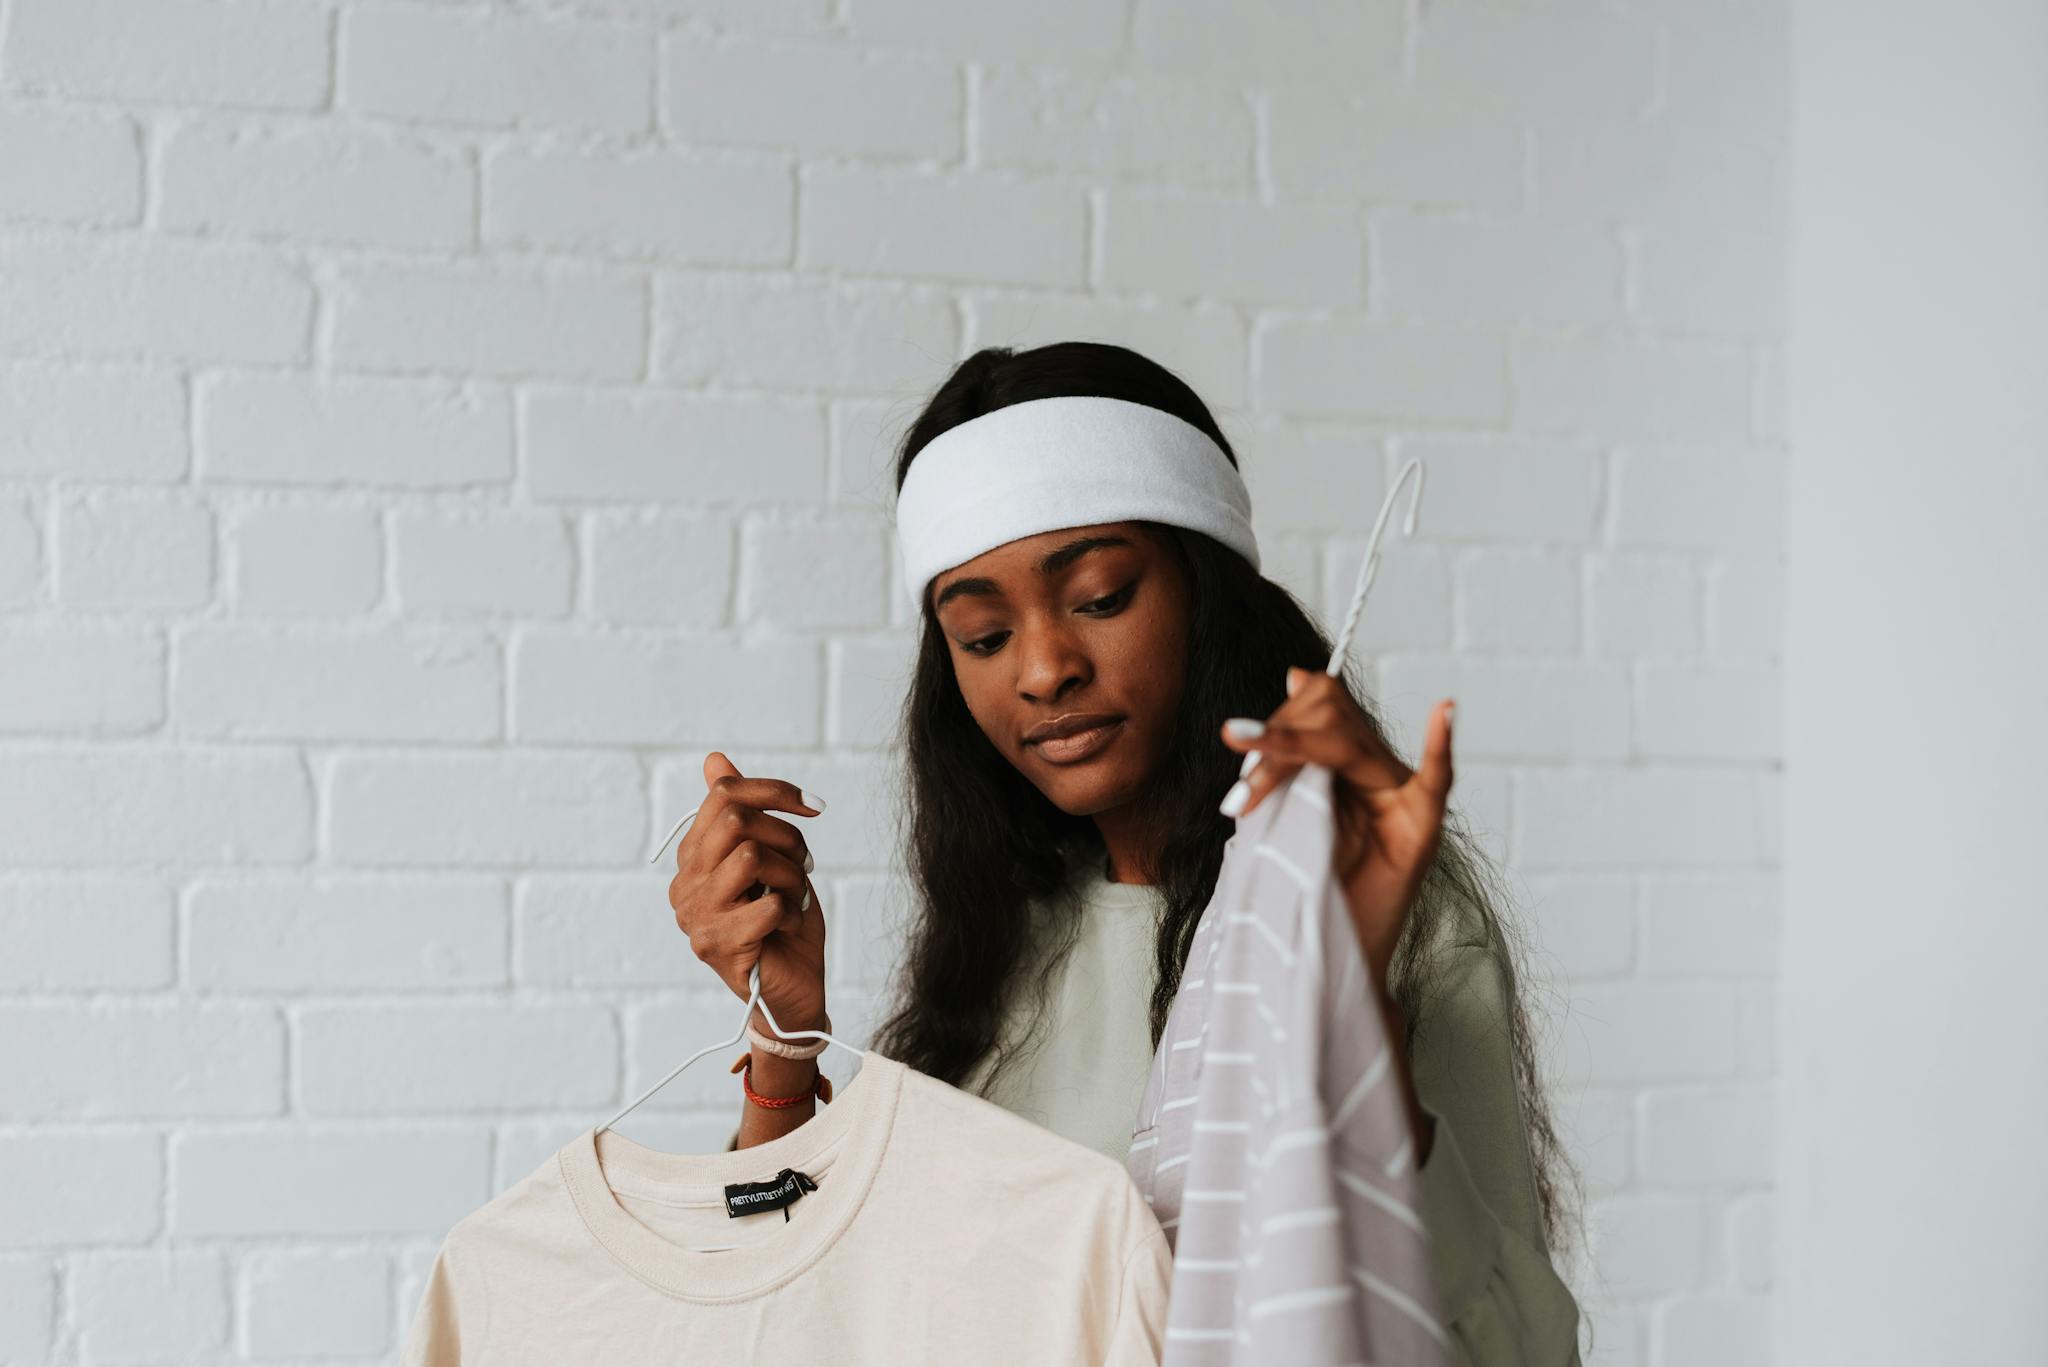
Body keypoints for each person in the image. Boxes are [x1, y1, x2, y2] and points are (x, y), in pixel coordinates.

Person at [668, 341, 1588, 1364]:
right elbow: (825, 1308)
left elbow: (1517, 1345)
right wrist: (785, 1051)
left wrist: (1346, 1013)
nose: (1044, 668)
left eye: (1100, 596)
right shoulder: (1002, 932)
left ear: (1204, 593)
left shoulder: (1383, 915)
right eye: (980, 635)